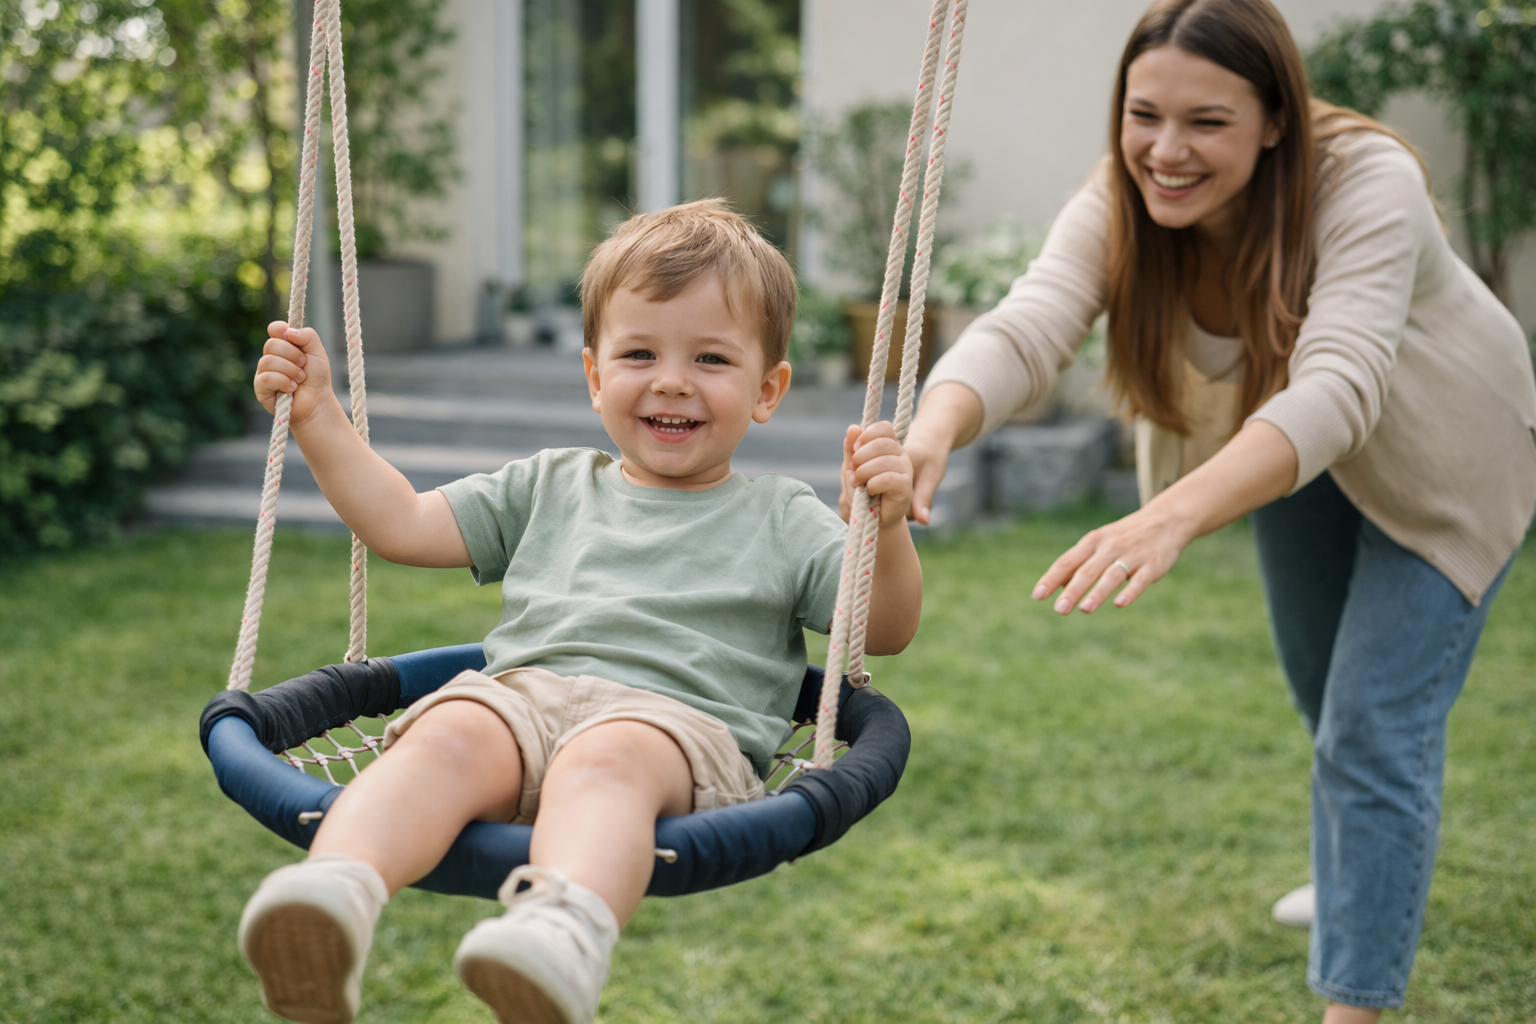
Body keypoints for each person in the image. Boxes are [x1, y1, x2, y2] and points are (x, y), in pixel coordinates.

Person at [903, 0, 1536, 1020]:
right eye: (1143, 113)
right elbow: (1032, 321)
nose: (1166, 149)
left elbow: (1342, 385)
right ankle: (1356, 877)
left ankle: (1354, 1001)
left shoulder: (1367, 181)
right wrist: (934, 424)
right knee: (1323, 698)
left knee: (1373, 728)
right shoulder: (1120, 197)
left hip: (1450, 457)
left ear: (1276, 118)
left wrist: (1168, 518)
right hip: (1288, 454)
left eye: (1207, 121)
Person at [238, 199, 923, 1024]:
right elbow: (401, 525)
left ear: (767, 389)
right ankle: (333, 897)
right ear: (597, 377)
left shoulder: (786, 516)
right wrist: (318, 417)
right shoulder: (550, 484)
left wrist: (881, 528)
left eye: (710, 357)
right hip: (524, 699)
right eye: (640, 353)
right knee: (447, 732)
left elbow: (879, 629)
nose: (671, 379)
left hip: (675, 725)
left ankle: (560, 937)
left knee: (609, 756)